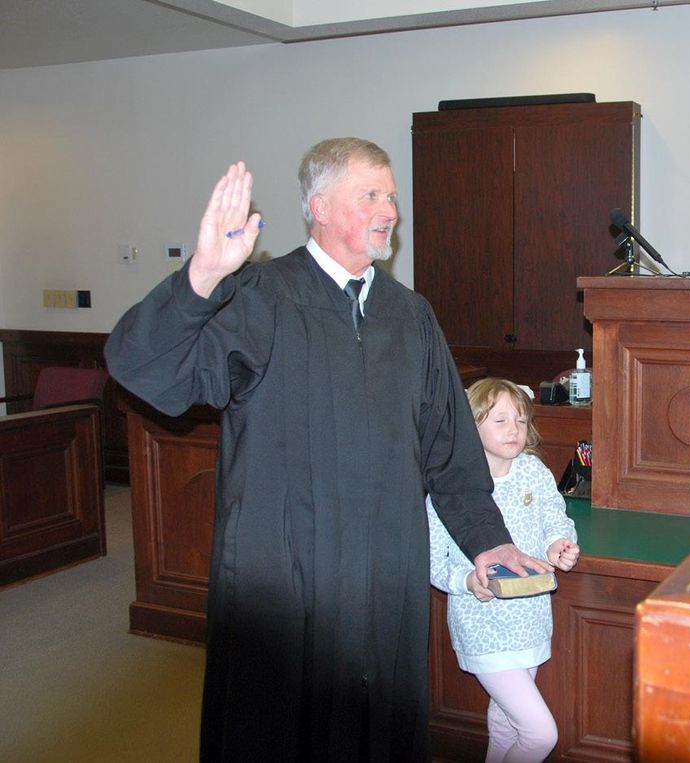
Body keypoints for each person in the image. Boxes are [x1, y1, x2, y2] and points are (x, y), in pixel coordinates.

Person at [104, 138, 552, 761]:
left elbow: (450, 452)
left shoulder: (411, 316)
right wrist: (202, 276)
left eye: (392, 197)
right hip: (287, 572)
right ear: (319, 205)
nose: (389, 209)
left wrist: (487, 538)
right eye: (370, 194)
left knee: (379, 725)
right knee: (282, 728)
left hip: (384, 574)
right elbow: (144, 368)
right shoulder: (260, 296)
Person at [427, 378, 580, 763]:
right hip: (483, 628)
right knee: (540, 733)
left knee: (506, 724)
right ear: (470, 425)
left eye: (520, 419)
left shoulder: (533, 472)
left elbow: (554, 518)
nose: (513, 429)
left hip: (530, 620)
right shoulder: (449, 487)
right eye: (499, 420)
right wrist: (466, 582)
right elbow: (433, 561)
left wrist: (558, 546)